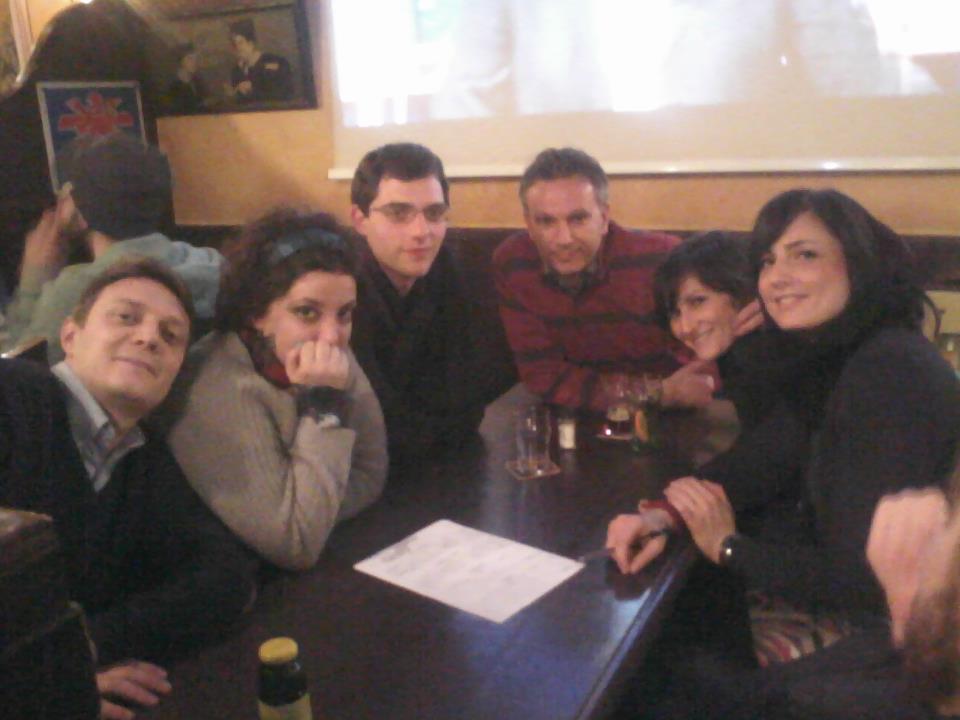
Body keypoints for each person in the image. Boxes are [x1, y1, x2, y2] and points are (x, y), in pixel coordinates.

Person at [607, 188, 960, 679]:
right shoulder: (838, 357)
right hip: (856, 598)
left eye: (805, 255)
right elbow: (768, 456)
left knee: (666, 669)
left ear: (859, 263)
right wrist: (666, 514)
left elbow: (868, 577)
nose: (776, 278)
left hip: (904, 639)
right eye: (768, 261)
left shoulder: (888, 370)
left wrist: (730, 547)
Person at [0, 258, 255, 720]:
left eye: (170, 336)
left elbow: (225, 579)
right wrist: (40, 683)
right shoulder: (13, 398)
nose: (149, 337)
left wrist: (86, 647)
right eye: (125, 317)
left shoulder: (144, 457)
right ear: (70, 335)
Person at [164, 209, 387, 570]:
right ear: (257, 312)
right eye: (307, 312)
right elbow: (295, 544)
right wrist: (324, 405)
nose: (332, 336)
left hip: (316, 561)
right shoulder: (216, 384)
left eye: (344, 313)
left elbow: (371, 472)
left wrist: (312, 510)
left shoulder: (322, 350)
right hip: (234, 579)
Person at [493, 147, 716, 412]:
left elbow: (701, 372)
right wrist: (655, 393)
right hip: (570, 414)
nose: (564, 239)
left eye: (578, 219)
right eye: (546, 222)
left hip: (668, 417)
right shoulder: (514, 264)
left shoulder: (662, 259)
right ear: (529, 225)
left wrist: (662, 397)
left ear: (604, 217)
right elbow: (543, 375)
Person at [1, 131, 223, 363]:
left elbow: (16, 367)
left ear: (74, 208)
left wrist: (33, 279)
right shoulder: (211, 262)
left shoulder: (80, 289)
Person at [349, 142, 498, 463]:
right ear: (360, 220)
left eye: (434, 213)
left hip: (443, 461)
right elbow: (369, 423)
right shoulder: (341, 291)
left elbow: (471, 400)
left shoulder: (449, 269)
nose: (421, 232)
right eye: (398, 213)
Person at [225, 18, 293, 104]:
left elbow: (285, 94)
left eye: (240, 43)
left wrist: (253, 89)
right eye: (233, 44)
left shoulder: (276, 62)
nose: (237, 48)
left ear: (251, 43)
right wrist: (234, 93)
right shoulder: (236, 71)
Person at [165, 42, 208, 114]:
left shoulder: (197, 82)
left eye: (196, 59)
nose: (194, 62)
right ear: (181, 61)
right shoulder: (173, 86)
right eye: (190, 58)